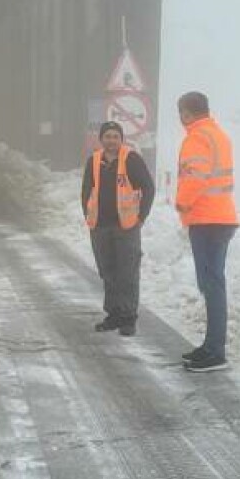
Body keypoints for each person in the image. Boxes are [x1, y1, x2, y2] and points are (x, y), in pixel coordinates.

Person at [175, 92, 239, 371]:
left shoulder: (196, 137)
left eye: (180, 113)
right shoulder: (219, 135)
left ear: (186, 112)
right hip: (221, 217)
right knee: (213, 283)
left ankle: (216, 352)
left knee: (211, 285)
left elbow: (195, 176)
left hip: (205, 219)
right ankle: (211, 345)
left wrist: (182, 202)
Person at [81, 120, 155, 337]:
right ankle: (112, 315)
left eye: (115, 136)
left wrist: (141, 217)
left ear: (121, 139)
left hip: (126, 227)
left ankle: (128, 317)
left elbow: (148, 188)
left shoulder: (131, 159)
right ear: (101, 139)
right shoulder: (94, 161)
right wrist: (88, 213)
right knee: (108, 271)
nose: (111, 140)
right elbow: (86, 190)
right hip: (100, 227)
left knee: (128, 273)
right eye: (107, 136)